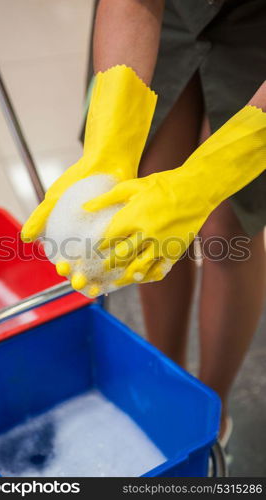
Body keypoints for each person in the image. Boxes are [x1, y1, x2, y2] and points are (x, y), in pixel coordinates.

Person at [22, 0, 266, 443]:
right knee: (141, 201)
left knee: (227, 228)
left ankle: (212, 410)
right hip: (173, 11)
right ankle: (164, 376)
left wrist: (206, 179)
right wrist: (107, 150)